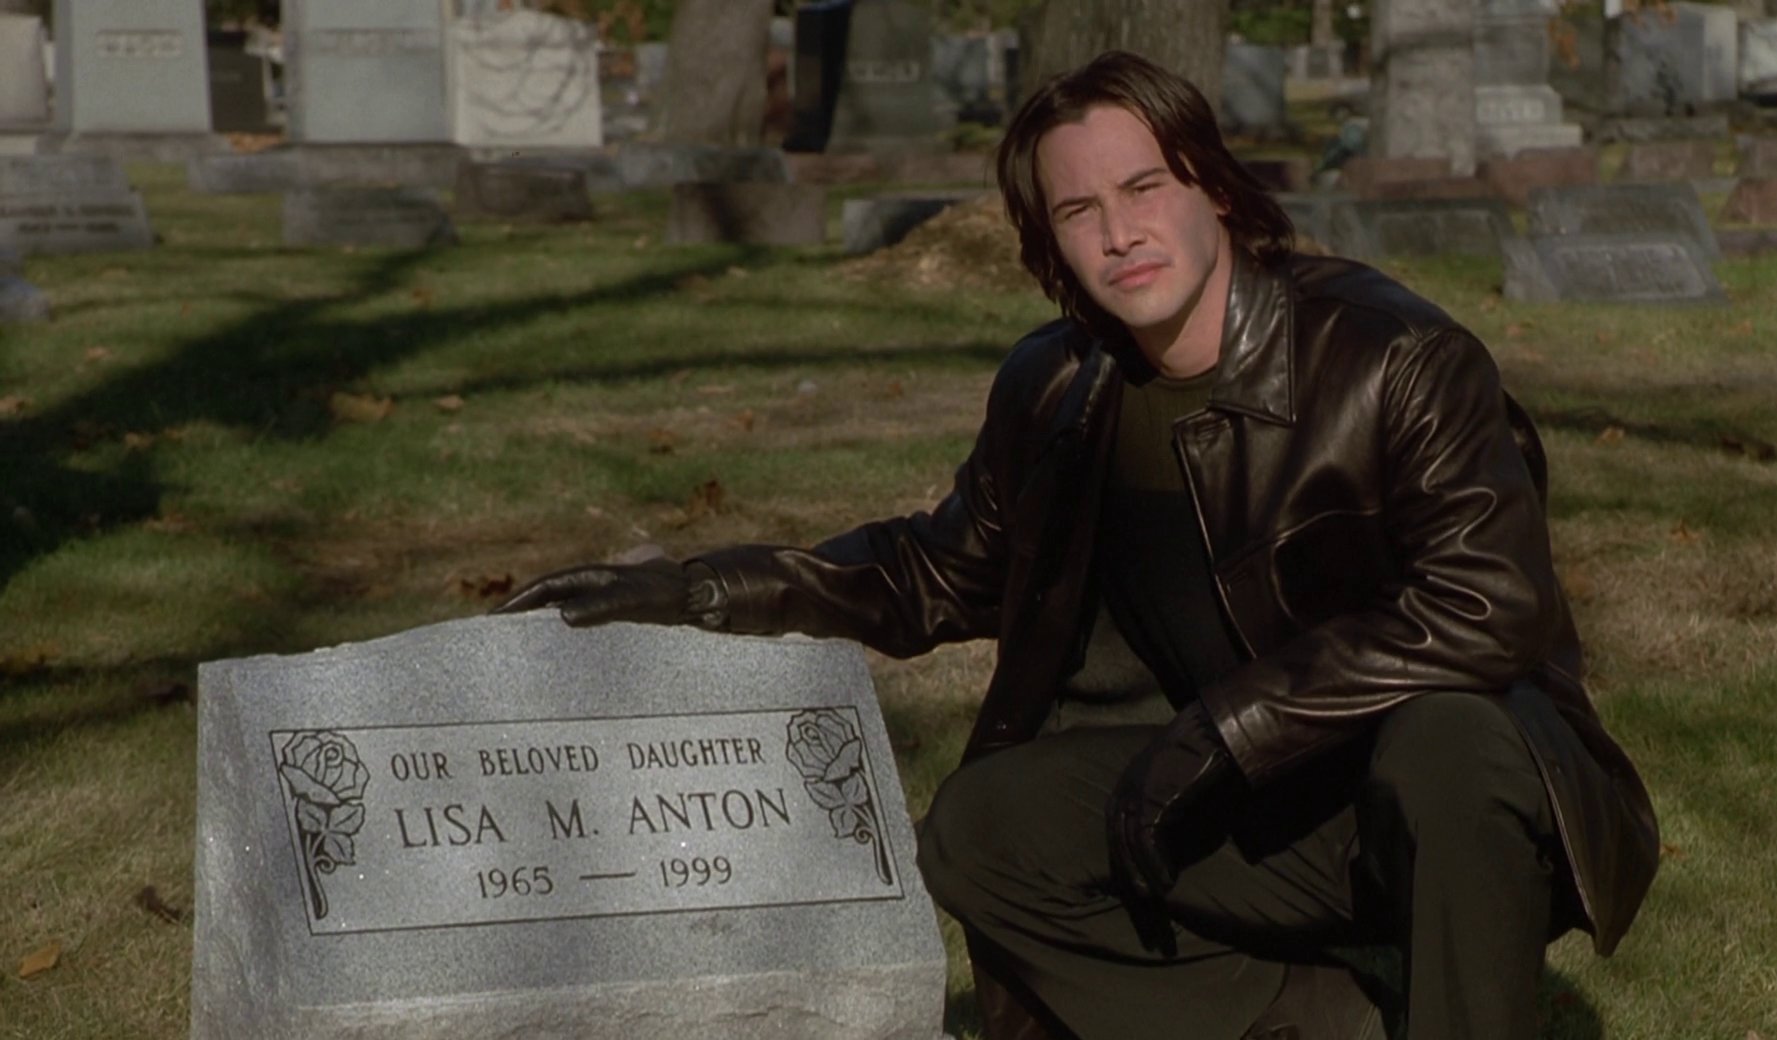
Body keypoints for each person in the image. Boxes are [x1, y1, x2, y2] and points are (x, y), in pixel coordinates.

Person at [496, 50, 1660, 1040]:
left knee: (1452, 742)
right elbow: (930, 573)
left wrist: (1232, 724)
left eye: (1144, 186)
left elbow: (1490, 605)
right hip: (1236, 803)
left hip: (1413, 797)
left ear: (1213, 186)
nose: (1120, 233)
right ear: (1048, 236)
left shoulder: (1394, 357)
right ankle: (1323, 1016)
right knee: (981, 827)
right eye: (1078, 210)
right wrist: (701, 589)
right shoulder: (1058, 387)